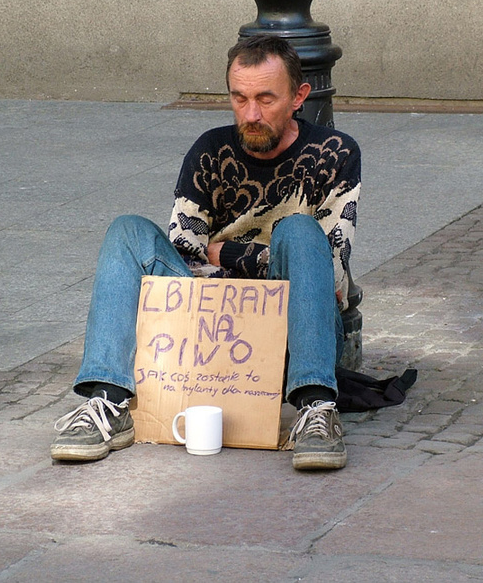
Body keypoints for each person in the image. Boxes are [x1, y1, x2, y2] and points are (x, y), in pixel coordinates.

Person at [50, 34, 361, 471]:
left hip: (294, 321)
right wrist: (227, 261)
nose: (250, 114)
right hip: (208, 325)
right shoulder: (210, 149)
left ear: (299, 97)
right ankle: (106, 400)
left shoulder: (335, 153)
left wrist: (227, 252)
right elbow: (185, 253)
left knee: (301, 231)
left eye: (266, 99)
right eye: (240, 98)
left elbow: (328, 270)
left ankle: (315, 410)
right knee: (127, 231)